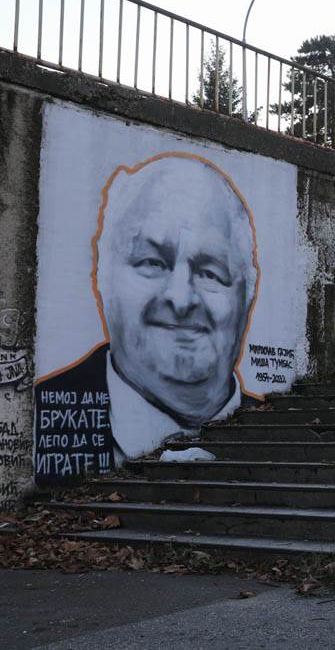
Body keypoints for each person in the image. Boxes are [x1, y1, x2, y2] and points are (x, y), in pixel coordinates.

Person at [34, 153, 260, 482]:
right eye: (152, 263)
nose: (181, 300)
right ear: (102, 278)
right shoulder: (40, 414)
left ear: (248, 294)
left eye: (211, 272)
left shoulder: (283, 431)